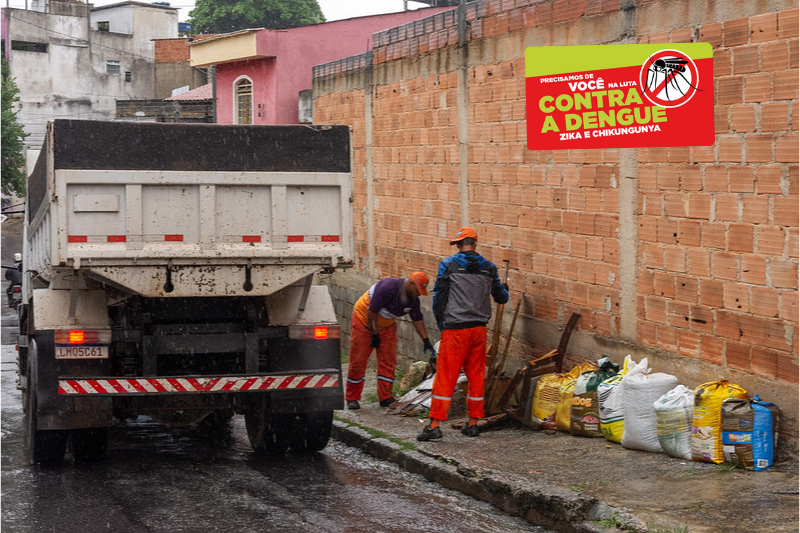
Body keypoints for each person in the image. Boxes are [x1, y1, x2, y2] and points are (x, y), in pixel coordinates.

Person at [417, 227, 509, 441]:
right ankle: (474, 422)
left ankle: (434, 424)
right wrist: (504, 288)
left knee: (446, 375)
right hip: (479, 329)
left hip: (456, 329)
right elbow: (502, 298)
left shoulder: (449, 265)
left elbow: (439, 297)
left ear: (459, 244)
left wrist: (442, 325)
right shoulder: (490, 268)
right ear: (474, 244)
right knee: (476, 375)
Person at [346, 272, 435, 410]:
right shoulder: (387, 287)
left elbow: (417, 319)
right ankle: (352, 397)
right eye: (417, 290)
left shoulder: (413, 300)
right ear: (410, 284)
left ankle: (385, 397)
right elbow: (371, 312)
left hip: (386, 326)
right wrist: (374, 334)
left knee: (388, 361)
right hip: (364, 322)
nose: (418, 295)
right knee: (358, 361)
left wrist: (426, 340)